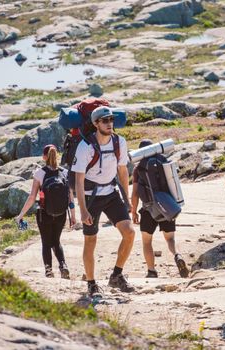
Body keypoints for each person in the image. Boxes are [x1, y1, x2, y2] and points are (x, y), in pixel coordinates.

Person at [73, 106, 136, 296]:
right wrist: (82, 210)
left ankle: (116, 275)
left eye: (111, 120)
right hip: (91, 196)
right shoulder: (86, 146)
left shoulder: (119, 142)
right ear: (95, 124)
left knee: (130, 233)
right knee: (90, 240)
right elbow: (79, 180)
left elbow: (123, 171)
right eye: (105, 120)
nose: (109, 124)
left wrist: (127, 198)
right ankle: (91, 283)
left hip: (111, 193)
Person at [130, 139, 189, 279]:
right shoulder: (164, 162)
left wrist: (133, 210)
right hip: (167, 205)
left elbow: (135, 193)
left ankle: (151, 271)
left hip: (149, 209)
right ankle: (177, 255)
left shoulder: (139, 169)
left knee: (146, 241)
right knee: (170, 239)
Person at [16, 144, 76, 279]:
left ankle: (49, 270)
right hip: (61, 213)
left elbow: (32, 197)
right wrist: (73, 216)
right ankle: (63, 265)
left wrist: (21, 215)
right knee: (56, 241)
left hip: (44, 214)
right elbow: (70, 197)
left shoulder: (39, 173)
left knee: (46, 242)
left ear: (44, 157)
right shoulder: (65, 173)